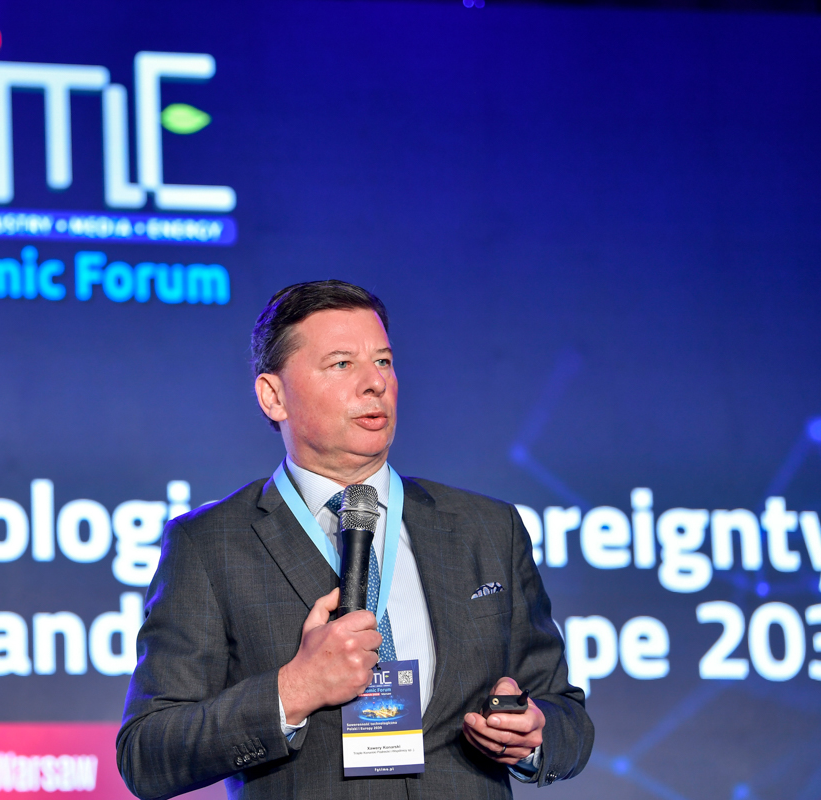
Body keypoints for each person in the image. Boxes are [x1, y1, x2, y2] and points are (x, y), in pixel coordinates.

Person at [117, 281, 593, 799]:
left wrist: (534, 735)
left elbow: (566, 715)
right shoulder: (210, 545)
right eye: (342, 364)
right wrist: (293, 690)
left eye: (384, 361)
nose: (375, 383)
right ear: (273, 396)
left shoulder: (487, 527)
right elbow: (147, 756)